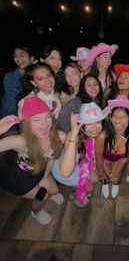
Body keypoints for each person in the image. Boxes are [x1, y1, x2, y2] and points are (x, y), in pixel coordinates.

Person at [0, 96, 64, 224]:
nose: (45, 124)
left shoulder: (57, 136)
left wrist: (45, 177)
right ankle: (36, 211)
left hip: (40, 169)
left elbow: (50, 160)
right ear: (26, 123)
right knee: (42, 196)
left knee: (55, 190)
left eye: (47, 117)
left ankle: (43, 186)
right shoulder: (20, 141)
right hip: (17, 177)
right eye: (37, 119)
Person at [53, 102, 110, 207]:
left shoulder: (101, 135)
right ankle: (75, 194)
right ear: (82, 126)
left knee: (95, 178)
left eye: (97, 122)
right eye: (88, 123)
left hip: (82, 162)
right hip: (64, 169)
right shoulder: (75, 137)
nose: (94, 128)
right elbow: (66, 170)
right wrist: (73, 134)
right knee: (89, 188)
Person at [95, 95, 129, 199]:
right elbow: (98, 157)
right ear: (110, 117)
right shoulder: (102, 136)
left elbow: (124, 159)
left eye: (123, 117)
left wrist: (115, 173)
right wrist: (101, 174)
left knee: (115, 179)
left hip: (119, 161)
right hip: (105, 159)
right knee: (105, 178)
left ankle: (115, 183)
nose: (118, 121)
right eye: (115, 116)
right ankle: (105, 183)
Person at [0, 46, 34, 119]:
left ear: (31, 59)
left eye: (22, 55)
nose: (18, 59)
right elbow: (10, 106)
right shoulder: (9, 78)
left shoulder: (38, 76)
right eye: (15, 56)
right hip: (11, 119)